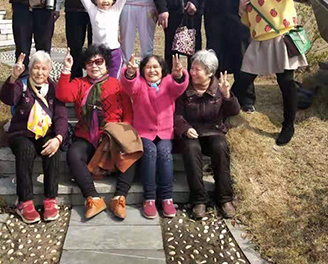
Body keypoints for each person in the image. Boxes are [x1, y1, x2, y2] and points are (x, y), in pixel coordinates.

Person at [55, 45, 135, 220]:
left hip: (112, 136)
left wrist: (119, 135)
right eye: (90, 63)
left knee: (131, 152)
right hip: (86, 136)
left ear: (106, 64)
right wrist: (66, 69)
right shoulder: (79, 83)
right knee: (73, 154)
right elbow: (63, 95)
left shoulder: (117, 84)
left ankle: (119, 197)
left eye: (99, 61)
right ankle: (93, 198)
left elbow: (128, 114)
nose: (94, 66)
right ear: (85, 66)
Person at [238, 0, 307, 146]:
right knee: (243, 79)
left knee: (286, 83)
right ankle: (225, 115)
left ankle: (288, 125)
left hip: (280, 39)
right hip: (259, 42)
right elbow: (249, 23)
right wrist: (242, 9)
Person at [0, 51, 67, 224]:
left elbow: (61, 116)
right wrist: (13, 77)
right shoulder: (21, 84)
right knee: (26, 149)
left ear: (49, 70)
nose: (40, 72)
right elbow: (8, 98)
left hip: (45, 132)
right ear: (30, 69)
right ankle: (24, 201)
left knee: (52, 149)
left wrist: (58, 138)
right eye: (36, 68)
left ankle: (51, 199)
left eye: (44, 69)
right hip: (21, 133)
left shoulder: (53, 88)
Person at [119, 54, 188, 219]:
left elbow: (179, 87)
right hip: (143, 132)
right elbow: (129, 85)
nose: (152, 70)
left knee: (164, 152)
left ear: (162, 70)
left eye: (156, 67)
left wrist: (178, 75)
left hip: (165, 132)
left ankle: (167, 198)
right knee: (150, 152)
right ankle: (149, 198)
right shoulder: (140, 84)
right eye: (148, 67)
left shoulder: (168, 83)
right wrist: (130, 73)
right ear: (143, 70)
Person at [174, 49, 240, 219]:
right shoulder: (184, 87)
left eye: (197, 70)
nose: (192, 72)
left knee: (221, 145)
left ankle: (225, 198)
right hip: (191, 132)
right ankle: (199, 200)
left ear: (210, 73)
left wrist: (227, 95)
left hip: (213, 130)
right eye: (192, 68)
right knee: (191, 148)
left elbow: (234, 111)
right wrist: (185, 128)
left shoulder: (218, 88)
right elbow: (176, 114)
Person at [66, 0, 140, 77]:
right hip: (97, 53)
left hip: (114, 53)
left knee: (113, 80)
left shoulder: (116, 10)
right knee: (96, 78)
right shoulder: (92, 10)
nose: (105, 1)